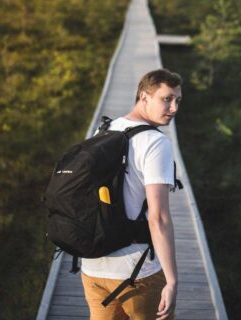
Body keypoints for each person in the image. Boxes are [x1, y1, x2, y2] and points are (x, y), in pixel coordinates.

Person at [80, 69, 182, 320]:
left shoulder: (105, 129)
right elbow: (158, 218)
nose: (174, 107)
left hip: (94, 266)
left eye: (178, 100)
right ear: (144, 96)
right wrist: (171, 281)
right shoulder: (156, 143)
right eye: (166, 99)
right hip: (137, 271)